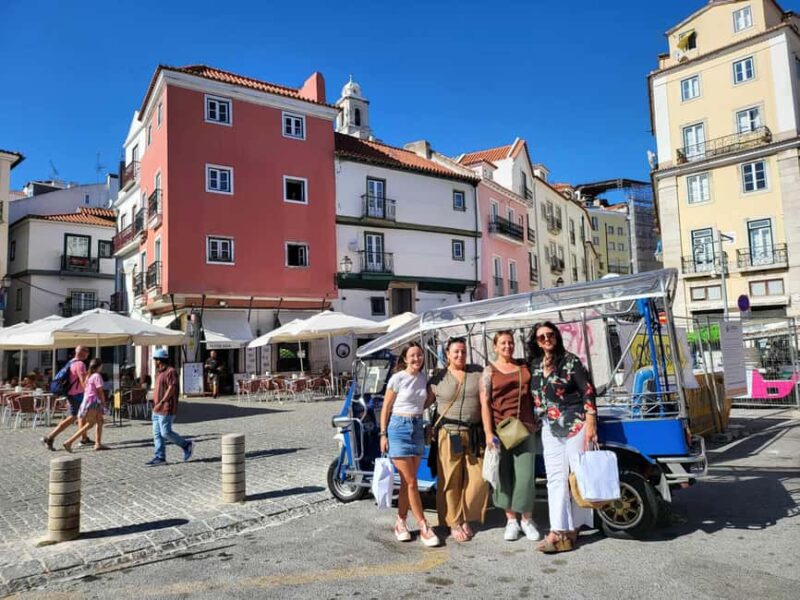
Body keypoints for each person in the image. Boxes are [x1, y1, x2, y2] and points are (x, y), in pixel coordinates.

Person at [528, 321, 597, 554]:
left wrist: (591, 422)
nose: (546, 339)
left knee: (578, 475)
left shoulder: (570, 361)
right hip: (549, 426)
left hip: (575, 423)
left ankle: (575, 527)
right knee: (556, 478)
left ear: (556, 336)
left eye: (550, 334)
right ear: (536, 342)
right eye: (541, 337)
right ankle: (559, 529)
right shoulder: (535, 364)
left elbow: (587, 390)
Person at [480, 331, 541, 542]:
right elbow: (485, 405)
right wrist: (488, 433)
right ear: (495, 347)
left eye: (511, 342)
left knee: (525, 477)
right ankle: (511, 521)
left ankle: (526, 519)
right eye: (503, 343)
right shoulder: (489, 372)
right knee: (503, 476)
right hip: (500, 430)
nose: (508, 346)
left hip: (525, 428)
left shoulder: (524, 366)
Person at [379, 342, 440, 547]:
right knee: (412, 481)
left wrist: (433, 393)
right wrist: (383, 433)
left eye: (420, 355)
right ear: (405, 359)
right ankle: (424, 526)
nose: (417, 359)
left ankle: (401, 522)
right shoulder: (397, 379)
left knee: (407, 482)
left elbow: (424, 403)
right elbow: (386, 407)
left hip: (416, 426)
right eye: (412, 356)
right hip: (398, 427)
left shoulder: (424, 379)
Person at [428, 337, 488, 543]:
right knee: (451, 479)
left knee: (478, 479)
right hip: (449, 433)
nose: (460, 355)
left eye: (463, 351)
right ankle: (454, 522)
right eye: (456, 352)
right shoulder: (439, 377)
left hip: (474, 433)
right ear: (447, 355)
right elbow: (423, 399)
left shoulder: (477, 372)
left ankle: (466, 515)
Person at [147, 348, 194, 466]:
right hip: (156, 409)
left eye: (155, 359)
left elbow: (171, 388)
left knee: (165, 433)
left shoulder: (171, 371)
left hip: (166, 408)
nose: (154, 362)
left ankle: (186, 444)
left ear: (159, 360)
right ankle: (160, 457)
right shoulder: (158, 373)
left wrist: (162, 402)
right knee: (157, 434)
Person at [41, 346, 93, 451]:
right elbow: (83, 382)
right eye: (87, 351)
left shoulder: (71, 362)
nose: (88, 354)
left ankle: (84, 438)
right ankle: (49, 437)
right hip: (77, 395)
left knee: (81, 416)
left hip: (71, 394)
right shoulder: (80, 364)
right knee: (73, 417)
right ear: (83, 353)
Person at [62, 358, 108, 452]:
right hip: (93, 402)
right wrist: (104, 402)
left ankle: (98, 444)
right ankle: (69, 442)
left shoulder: (88, 376)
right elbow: (100, 391)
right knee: (90, 424)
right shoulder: (96, 376)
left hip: (88, 401)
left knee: (100, 421)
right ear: (99, 366)